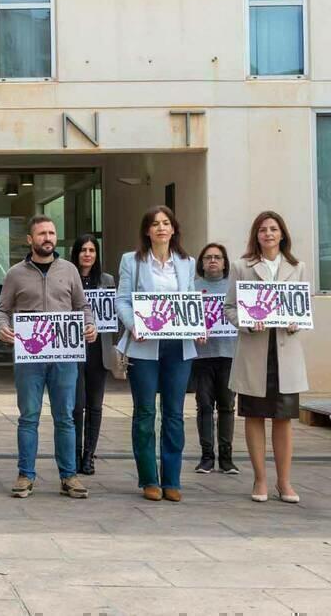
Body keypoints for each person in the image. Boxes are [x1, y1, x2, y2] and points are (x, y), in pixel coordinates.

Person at [0, 215, 95, 500]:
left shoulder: (70, 270)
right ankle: (26, 474)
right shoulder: (16, 273)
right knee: (29, 417)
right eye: (41, 233)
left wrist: (90, 325)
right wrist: (2, 327)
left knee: (65, 417)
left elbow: (82, 306)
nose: (47, 238)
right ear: (30, 239)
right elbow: (2, 309)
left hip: (65, 355)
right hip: (30, 357)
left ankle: (69, 476)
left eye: (51, 232)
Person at [115, 205, 201, 503]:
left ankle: (172, 479)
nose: (161, 228)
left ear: (174, 229)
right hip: (144, 345)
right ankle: (149, 478)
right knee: (145, 413)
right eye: (155, 224)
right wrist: (132, 324)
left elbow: (189, 298)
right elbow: (123, 300)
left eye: (166, 223)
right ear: (147, 231)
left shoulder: (187, 262)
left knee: (174, 414)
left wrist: (197, 325)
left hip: (178, 345)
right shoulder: (132, 261)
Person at [225, 211, 307, 504]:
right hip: (254, 350)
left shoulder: (297, 267)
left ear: (282, 234)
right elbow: (230, 308)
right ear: (256, 235)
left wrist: (296, 321)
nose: (268, 234)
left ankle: (284, 482)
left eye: (273, 229)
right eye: (263, 230)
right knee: (255, 414)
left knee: (284, 418)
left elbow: (302, 305)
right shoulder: (241, 266)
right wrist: (247, 321)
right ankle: (260, 479)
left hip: (285, 350)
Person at [70, 233, 117, 476]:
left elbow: (114, 313)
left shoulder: (107, 280)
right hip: (74, 349)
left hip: (99, 349)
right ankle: (75, 453)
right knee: (77, 406)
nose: (87, 254)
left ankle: (89, 455)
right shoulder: (67, 277)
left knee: (95, 405)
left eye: (92, 250)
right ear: (76, 253)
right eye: (83, 250)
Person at [192, 242, 239, 475]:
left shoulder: (235, 287)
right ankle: (207, 457)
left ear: (224, 262)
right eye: (208, 257)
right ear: (201, 262)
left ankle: (227, 458)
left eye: (217, 257)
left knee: (227, 406)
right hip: (202, 356)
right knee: (204, 406)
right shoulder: (192, 287)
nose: (213, 261)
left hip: (230, 354)